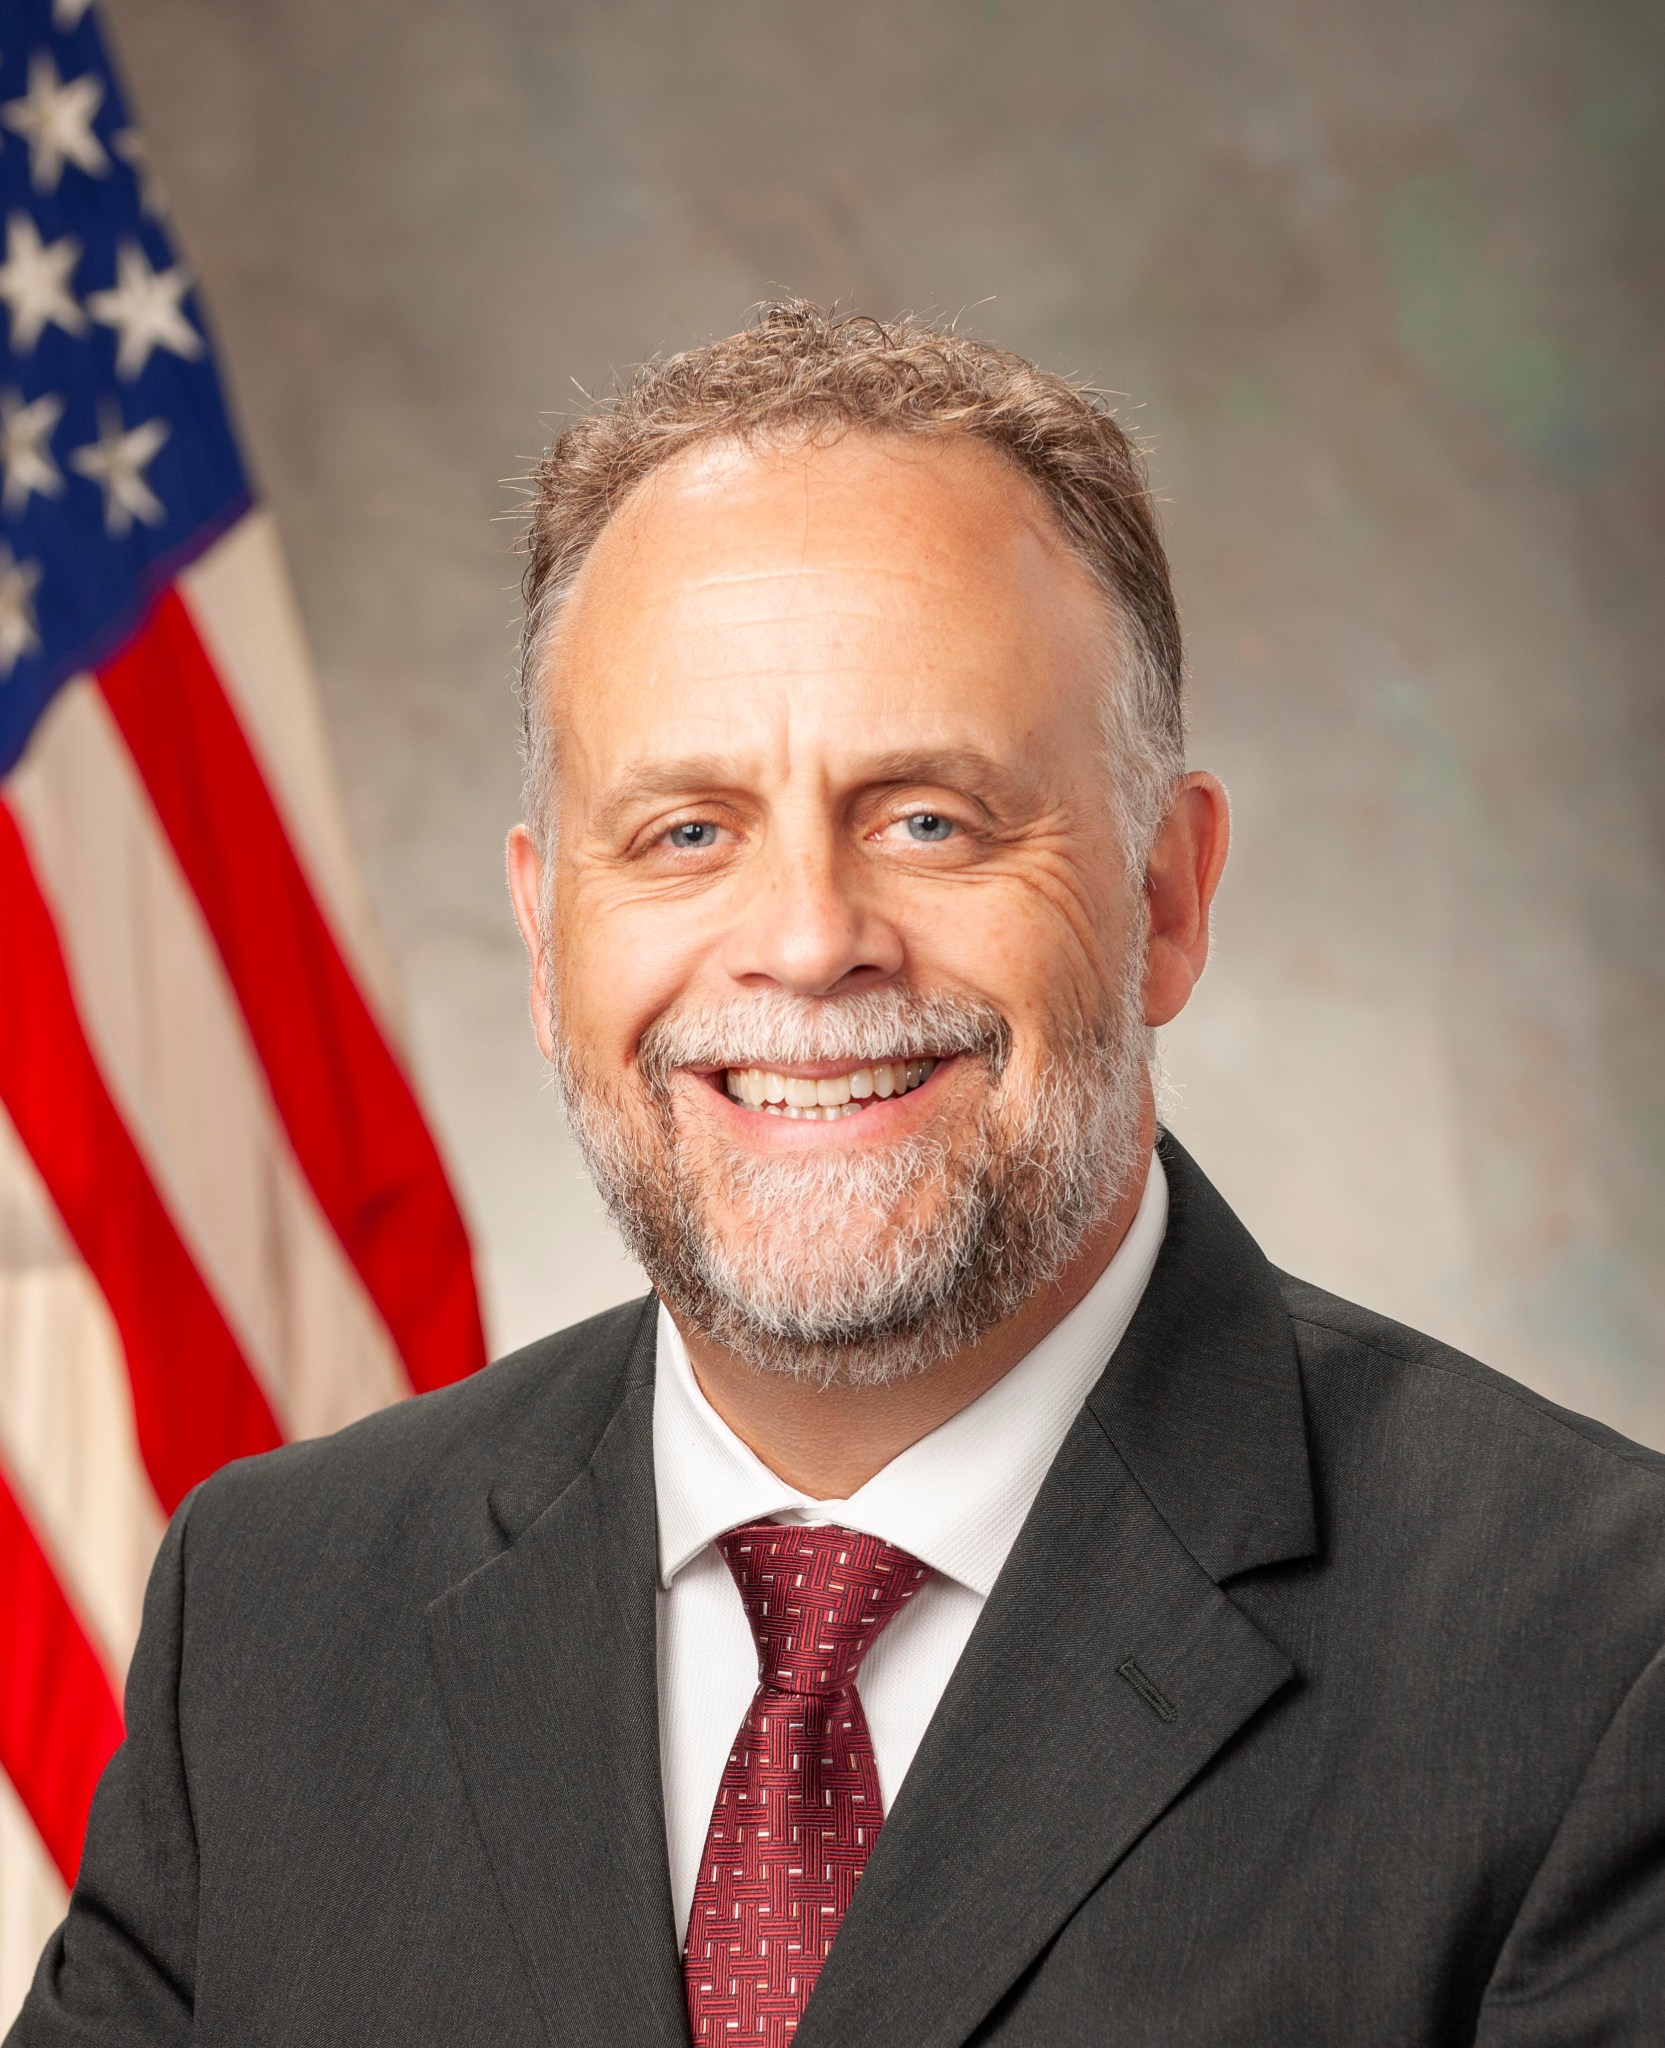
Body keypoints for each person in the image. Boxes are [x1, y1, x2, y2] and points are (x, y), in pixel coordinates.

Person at [11, 301, 1663, 2048]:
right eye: (686, 834)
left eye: (928, 817)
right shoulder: (273, 1612)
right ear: (540, 926)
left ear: (1166, 902)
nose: (806, 942)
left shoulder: (1591, 1660)